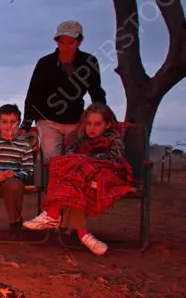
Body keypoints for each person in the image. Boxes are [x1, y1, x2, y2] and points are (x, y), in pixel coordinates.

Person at [22, 102, 133, 256]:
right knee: (68, 171)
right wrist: (80, 159)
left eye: (97, 124)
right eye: (88, 123)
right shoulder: (78, 138)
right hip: (82, 177)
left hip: (107, 174)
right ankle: (83, 235)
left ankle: (53, 213)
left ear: (107, 125)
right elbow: (69, 154)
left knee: (77, 172)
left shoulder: (114, 138)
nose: (92, 128)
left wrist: (84, 159)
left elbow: (113, 158)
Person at [20, 20, 108, 162]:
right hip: (48, 121)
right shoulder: (45, 63)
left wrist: (104, 117)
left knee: (77, 158)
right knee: (52, 159)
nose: (65, 47)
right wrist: (26, 124)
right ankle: (50, 182)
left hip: (76, 121)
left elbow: (96, 92)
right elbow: (33, 94)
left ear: (80, 42)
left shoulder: (89, 62)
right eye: (62, 42)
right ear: (57, 41)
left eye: (70, 43)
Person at [0, 104, 36, 239]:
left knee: (13, 184)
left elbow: (28, 169)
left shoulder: (24, 145)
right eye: (4, 122)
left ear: (19, 124)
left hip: (14, 181)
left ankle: (14, 221)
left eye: (13, 122)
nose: (9, 126)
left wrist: (15, 174)